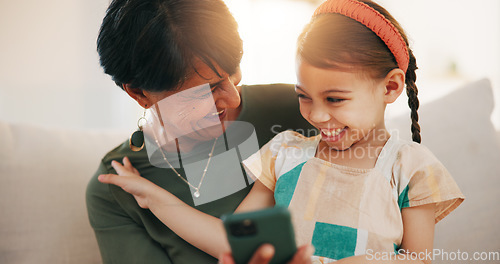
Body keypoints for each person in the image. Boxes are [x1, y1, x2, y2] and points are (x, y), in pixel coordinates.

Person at [98, 0, 465, 263]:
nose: (317, 116)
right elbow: (232, 237)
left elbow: (418, 258)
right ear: (139, 93)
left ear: (390, 88)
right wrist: (154, 198)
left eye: (334, 99)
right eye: (303, 97)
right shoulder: (285, 151)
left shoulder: (412, 167)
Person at [85, 0, 316, 263]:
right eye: (207, 90)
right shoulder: (117, 189)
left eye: (233, 72)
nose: (233, 99)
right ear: (139, 93)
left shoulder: (306, 108)